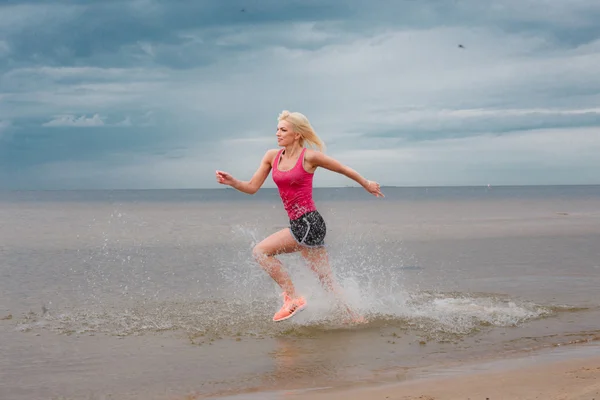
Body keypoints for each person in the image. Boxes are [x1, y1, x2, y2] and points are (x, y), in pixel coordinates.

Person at [215, 110, 384, 322]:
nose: (278, 133)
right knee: (326, 279)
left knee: (260, 252)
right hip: (302, 224)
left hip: (309, 222)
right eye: (277, 129)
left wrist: (366, 184)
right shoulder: (271, 157)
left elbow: (343, 169)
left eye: (283, 130)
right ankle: (356, 318)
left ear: (297, 134)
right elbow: (251, 187)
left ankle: (294, 298)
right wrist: (233, 182)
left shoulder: (309, 157)